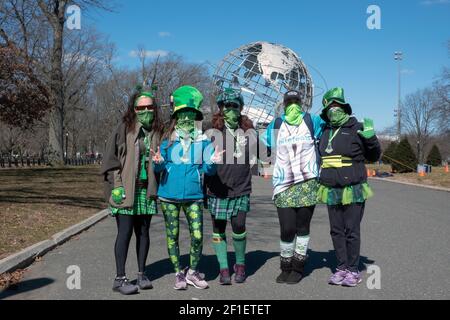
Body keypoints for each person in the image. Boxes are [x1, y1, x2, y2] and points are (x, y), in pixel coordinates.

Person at [152, 85, 224, 290]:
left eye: (190, 114)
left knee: (198, 235)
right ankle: (178, 274)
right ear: (176, 116)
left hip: (193, 196)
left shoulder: (202, 141)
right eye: (182, 114)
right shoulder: (167, 139)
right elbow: (160, 165)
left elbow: (207, 170)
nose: (186, 117)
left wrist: (213, 163)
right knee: (172, 235)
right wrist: (158, 163)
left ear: (195, 116)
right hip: (168, 196)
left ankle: (192, 272)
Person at [101, 86, 163, 295]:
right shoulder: (123, 129)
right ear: (133, 109)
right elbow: (111, 160)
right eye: (140, 107)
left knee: (143, 233)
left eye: (149, 107)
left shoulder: (157, 131)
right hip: (125, 189)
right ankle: (120, 279)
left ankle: (142, 273)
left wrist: (160, 163)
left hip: (146, 190)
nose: (145, 110)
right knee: (125, 233)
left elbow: (162, 160)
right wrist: (116, 186)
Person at [316, 87, 381, 287]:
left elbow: (374, 156)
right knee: (336, 230)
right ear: (326, 111)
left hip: (353, 187)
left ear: (344, 107)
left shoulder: (356, 127)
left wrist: (371, 139)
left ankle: (353, 270)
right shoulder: (325, 130)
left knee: (351, 230)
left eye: (337, 106)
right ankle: (341, 267)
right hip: (330, 188)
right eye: (330, 107)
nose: (334, 110)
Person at [261, 90, 325, 284]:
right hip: (284, 184)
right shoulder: (277, 124)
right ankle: (285, 265)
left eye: (296, 101)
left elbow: (330, 126)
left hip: (308, 182)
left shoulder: (312, 120)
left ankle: (298, 267)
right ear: (284, 104)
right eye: (289, 101)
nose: (293, 105)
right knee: (287, 228)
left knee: (302, 227)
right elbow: (262, 146)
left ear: (302, 103)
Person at [205, 88, 256, 285]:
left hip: (241, 187)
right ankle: (224, 267)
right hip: (217, 188)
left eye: (235, 106)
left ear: (240, 108)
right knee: (218, 228)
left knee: (239, 226)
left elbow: (265, 150)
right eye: (227, 106)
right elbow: (202, 157)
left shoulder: (247, 131)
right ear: (221, 108)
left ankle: (240, 265)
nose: (231, 109)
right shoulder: (211, 130)